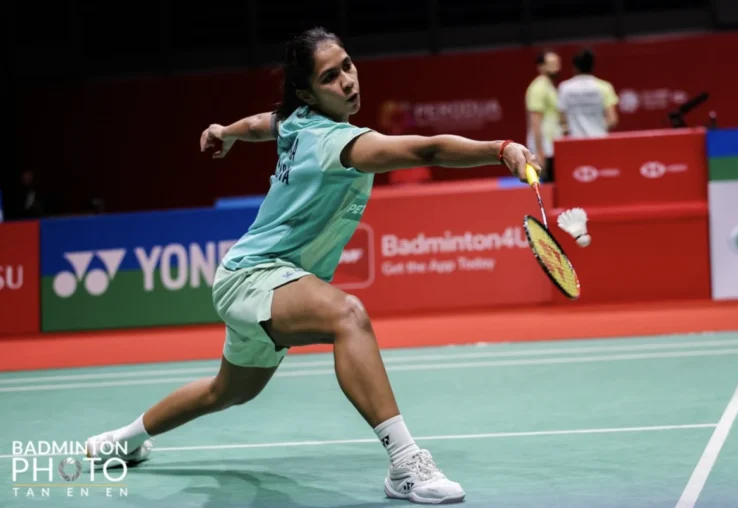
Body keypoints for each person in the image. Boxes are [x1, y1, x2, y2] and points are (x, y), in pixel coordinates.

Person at [84, 27, 539, 505]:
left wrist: (227, 131)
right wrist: (498, 149)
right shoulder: (341, 144)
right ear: (307, 92)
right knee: (348, 315)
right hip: (255, 276)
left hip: (258, 279)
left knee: (228, 391)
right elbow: (426, 150)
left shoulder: (296, 121)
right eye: (330, 77)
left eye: (347, 65)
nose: (347, 80)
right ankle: (407, 465)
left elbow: (263, 123)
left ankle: (123, 441)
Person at [557, 48, 619, 138]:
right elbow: (612, 120)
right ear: (592, 66)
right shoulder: (604, 87)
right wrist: (596, 128)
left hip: (575, 140)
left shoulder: (565, 87)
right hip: (599, 139)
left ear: (575, 67)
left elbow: (562, 119)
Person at [525, 49, 562, 182]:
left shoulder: (549, 86)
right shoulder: (538, 88)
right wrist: (539, 152)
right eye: (551, 63)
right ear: (541, 67)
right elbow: (535, 122)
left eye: (557, 63)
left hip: (553, 147)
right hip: (546, 149)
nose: (556, 67)